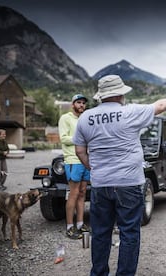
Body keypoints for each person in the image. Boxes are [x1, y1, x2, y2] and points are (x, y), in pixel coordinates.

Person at [73, 74, 166, 276]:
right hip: (129, 184)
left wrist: (95, 168)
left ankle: (98, 273)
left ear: (101, 96)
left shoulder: (85, 118)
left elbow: (80, 151)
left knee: (100, 233)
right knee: (129, 232)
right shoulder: (129, 112)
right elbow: (159, 106)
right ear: (119, 94)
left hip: (100, 185)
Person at [58, 94, 90, 239]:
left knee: (83, 192)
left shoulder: (85, 119)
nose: (81, 105)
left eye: (83, 103)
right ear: (73, 104)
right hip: (72, 159)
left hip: (85, 160)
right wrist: (81, 139)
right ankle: (70, 227)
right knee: (74, 193)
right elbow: (63, 138)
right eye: (79, 102)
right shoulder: (65, 118)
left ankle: (80, 223)